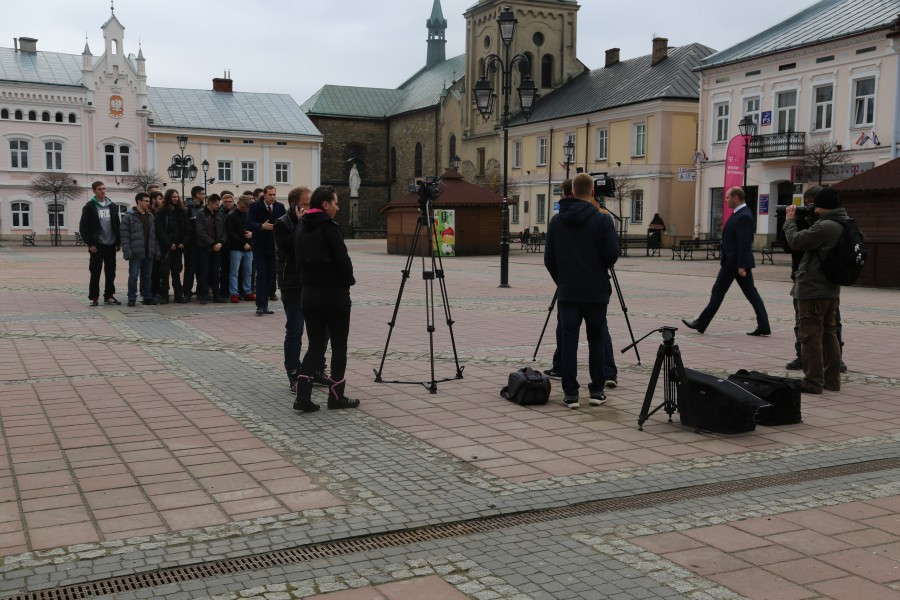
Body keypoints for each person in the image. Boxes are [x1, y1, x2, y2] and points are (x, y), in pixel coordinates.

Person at [544, 173, 619, 409]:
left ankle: (570, 393)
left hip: (568, 291)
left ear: (572, 192)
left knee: (569, 342)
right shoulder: (603, 219)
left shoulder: (557, 221)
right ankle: (596, 390)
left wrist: (562, 280)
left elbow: (549, 259)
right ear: (593, 193)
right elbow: (611, 255)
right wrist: (597, 269)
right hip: (596, 290)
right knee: (596, 339)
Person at [294, 186, 359, 412]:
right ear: (325, 204)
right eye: (335, 203)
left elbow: (298, 260)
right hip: (333, 294)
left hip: (309, 294)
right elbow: (343, 259)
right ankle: (336, 397)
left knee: (314, 345)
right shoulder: (329, 228)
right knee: (339, 346)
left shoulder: (301, 226)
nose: (337, 207)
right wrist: (349, 280)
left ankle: (302, 396)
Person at [782, 187, 847, 394]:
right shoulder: (843, 222)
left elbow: (796, 241)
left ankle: (813, 381)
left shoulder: (826, 226)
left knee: (810, 335)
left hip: (813, 289)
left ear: (822, 206)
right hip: (829, 289)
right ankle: (831, 380)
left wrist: (790, 220)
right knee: (829, 335)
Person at [683, 186, 770, 336]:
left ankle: (701, 323)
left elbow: (744, 242)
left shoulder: (744, 215)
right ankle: (764, 325)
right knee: (751, 294)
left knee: (719, 292)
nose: (726, 200)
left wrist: (742, 265)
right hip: (733, 262)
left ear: (736, 198)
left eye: (728, 197)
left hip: (734, 263)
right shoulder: (739, 213)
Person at [275, 186, 314, 392]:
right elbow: (291, 247)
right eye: (307, 204)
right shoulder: (282, 224)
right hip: (291, 283)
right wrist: (300, 224)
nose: (310, 208)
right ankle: (293, 371)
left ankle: (315, 368)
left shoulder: (314, 220)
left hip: (312, 282)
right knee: (295, 329)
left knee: (319, 330)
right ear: (294, 204)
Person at [79, 181, 121, 307]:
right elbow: (84, 227)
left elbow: (117, 225)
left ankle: (109, 295)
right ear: (94, 191)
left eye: (104, 188)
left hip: (111, 245)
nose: (102, 191)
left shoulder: (112, 206)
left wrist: (118, 242)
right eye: (99, 189)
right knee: (95, 272)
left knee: (111, 272)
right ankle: (94, 297)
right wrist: (90, 244)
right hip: (97, 246)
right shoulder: (89, 207)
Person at [247, 185, 285, 315]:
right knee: (262, 274)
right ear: (264, 194)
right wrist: (261, 226)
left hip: (273, 247)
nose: (273, 197)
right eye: (270, 195)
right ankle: (260, 305)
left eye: (274, 194)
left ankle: (266, 305)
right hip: (259, 246)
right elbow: (250, 223)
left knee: (270, 275)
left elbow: (284, 223)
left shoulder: (280, 207)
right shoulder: (255, 206)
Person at [120, 192, 160, 307]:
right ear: (139, 201)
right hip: (135, 252)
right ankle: (131, 297)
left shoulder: (151, 216)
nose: (148, 203)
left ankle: (147, 296)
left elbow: (154, 235)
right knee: (133, 276)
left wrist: (156, 251)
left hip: (149, 252)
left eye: (149, 201)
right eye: (146, 201)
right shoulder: (129, 216)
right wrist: (127, 251)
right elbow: (124, 235)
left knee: (147, 276)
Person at [195, 194, 228, 305]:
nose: (218, 206)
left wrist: (221, 243)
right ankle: (204, 295)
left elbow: (224, 231)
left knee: (215, 272)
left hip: (217, 248)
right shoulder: (201, 214)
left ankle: (216, 295)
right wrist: (212, 243)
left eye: (218, 204)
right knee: (204, 272)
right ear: (209, 203)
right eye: (216, 204)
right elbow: (200, 232)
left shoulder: (220, 215)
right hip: (205, 248)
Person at [156, 189, 187, 303]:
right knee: (164, 272)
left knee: (176, 271)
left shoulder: (182, 211)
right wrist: (169, 244)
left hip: (179, 246)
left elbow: (187, 229)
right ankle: (164, 295)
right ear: (168, 197)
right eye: (173, 196)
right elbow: (160, 230)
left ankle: (179, 295)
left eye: (177, 197)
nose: (175, 199)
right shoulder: (161, 211)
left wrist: (183, 242)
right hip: (167, 247)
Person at [226, 194, 255, 303]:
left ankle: (247, 291)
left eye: (246, 208)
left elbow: (253, 227)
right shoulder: (231, 216)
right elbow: (231, 233)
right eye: (242, 207)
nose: (244, 210)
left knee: (248, 272)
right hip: (236, 248)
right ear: (237, 204)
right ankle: (234, 293)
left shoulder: (248, 214)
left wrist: (252, 233)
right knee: (234, 272)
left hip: (248, 248)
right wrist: (243, 243)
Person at [182, 186, 205, 302]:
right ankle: (187, 292)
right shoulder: (187, 208)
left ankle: (201, 292)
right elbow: (186, 227)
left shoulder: (203, 208)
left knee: (202, 270)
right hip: (191, 244)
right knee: (190, 270)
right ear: (196, 195)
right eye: (202, 193)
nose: (204, 195)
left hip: (202, 244)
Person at [219, 191, 236, 295]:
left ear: (233, 202)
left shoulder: (237, 211)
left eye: (230, 201)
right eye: (225, 202)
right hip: (224, 245)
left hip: (235, 244)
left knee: (236, 270)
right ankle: (224, 290)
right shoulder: (219, 212)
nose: (228, 203)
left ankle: (235, 290)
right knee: (224, 269)